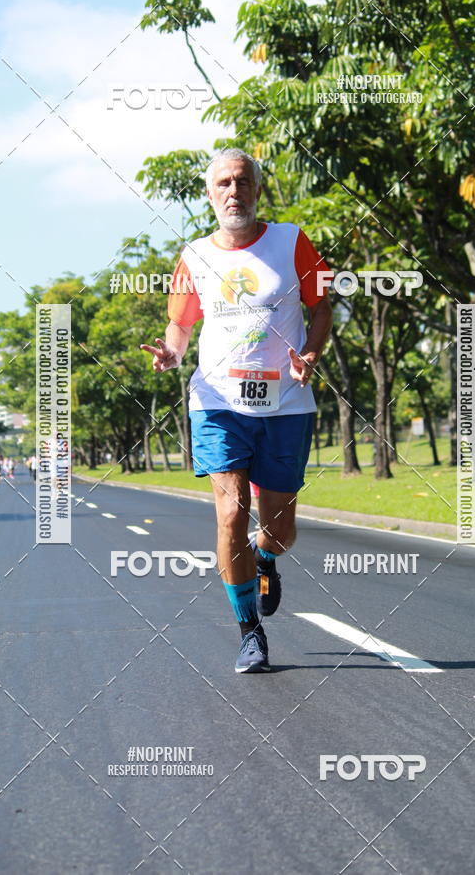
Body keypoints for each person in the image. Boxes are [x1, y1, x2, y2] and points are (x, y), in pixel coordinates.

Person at [141, 148, 333, 673]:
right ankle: (251, 632)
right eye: (223, 183)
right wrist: (171, 353)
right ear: (210, 195)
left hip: (286, 404)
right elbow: (181, 325)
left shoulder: (292, 242)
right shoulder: (194, 256)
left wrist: (310, 354)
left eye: (242, 181)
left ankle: (266, 557)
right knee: (230, 515)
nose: (233, 191)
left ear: (257, 189)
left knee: (280, 529)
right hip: (218, 402)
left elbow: (321, 306)